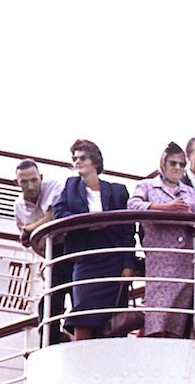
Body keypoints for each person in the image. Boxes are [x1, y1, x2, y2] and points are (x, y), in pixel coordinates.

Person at [52, 140, 138, 341]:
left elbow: (128, 228)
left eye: (82, 158)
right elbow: (59, 213)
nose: (77, 162)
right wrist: (87, 222)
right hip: (86, 258)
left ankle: (112, 358)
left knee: (114, 315)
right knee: (83, 312)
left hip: (113, 258)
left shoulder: (117, 190)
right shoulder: (70, 186)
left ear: (95, 161)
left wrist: (128, 264)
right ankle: (83, 354)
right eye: (75, 159)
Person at [128, 142, 195, 338]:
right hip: (159, 259)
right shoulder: (147, 185)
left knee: (177, 316)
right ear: (163, 164)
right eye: (173, 163)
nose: (178, 168)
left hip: (184, 260)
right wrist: (166, 208)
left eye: (181, 164)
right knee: (158, 314)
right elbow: (133, 206)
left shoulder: (188, 191)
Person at [15, 158, 68, 343]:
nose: (30, 185)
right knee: (49, 302)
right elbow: (30, 242)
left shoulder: (52, 186)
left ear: (41, 178)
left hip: (71, 247)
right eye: (24, 181)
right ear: (17, 183)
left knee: (76, 295)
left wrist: (31, 229)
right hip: (51, 254)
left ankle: (71, 336)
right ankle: (49, 343)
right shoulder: (18, 207)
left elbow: (53, 216)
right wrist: (47, 258)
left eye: (34, 180)